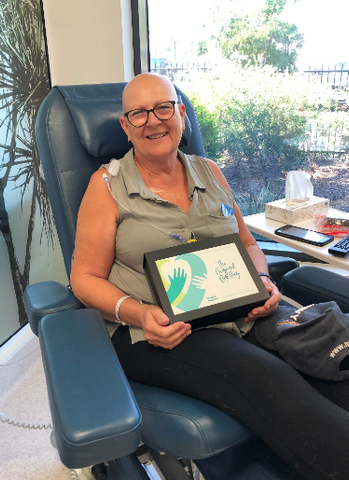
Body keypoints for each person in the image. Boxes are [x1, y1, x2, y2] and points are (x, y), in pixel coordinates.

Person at [70, 73, 349, 480]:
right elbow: (84, 277)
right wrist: (139, 315)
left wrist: (262, 283)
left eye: (163, 107)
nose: (153, 120)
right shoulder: (107, 185)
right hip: (161, 329)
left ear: (181, 115)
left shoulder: (210, 172)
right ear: (125, 127)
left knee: (332, 364)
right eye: (139, 113)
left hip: (241, 310)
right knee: (268, 378)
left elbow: (249, 245)